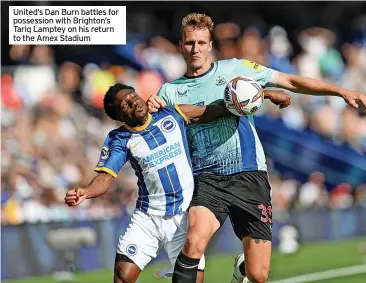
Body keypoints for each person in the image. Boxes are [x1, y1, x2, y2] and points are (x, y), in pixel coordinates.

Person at [147, 13, 366, 283]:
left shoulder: (236, 70)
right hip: (207, 179)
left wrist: (342, 92)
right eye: (190, 43)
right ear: (180, 46)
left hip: (249, 175)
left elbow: (290, 81)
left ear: (210, 44)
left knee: (258, 275)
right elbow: (153, 129)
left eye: (201, 43)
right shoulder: (169, 91)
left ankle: (241, 271)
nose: (196, 49)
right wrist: (150, 111)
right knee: (193, 242)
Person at [64, 83, 242, 283]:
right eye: (126, 105)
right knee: (122, 277)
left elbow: (212, 111)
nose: (134, 103)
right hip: (148, 218)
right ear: (119, 116)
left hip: (184, 217)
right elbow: (105, 178)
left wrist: (252, 97)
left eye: (134, 96)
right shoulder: (119, 139)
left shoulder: (173, 114)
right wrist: (85, 192)